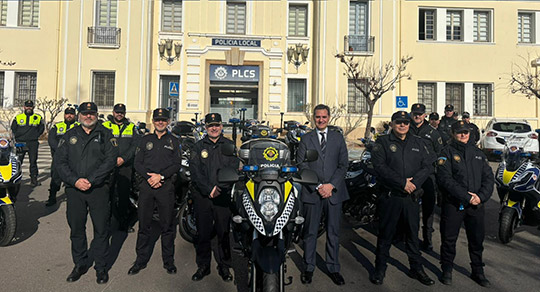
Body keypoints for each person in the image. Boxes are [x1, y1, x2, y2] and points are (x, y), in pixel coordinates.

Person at [55, 102, 118, 284]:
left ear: (96, 115)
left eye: (92, 113)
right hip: (75, 191)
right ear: (79, 115)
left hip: (98, 189)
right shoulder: (69, 135)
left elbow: (110, 160)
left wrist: (92, 179)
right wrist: (75, 180)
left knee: (101, 230)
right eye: (85, 113)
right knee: (76, 229)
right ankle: (80, 264)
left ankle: (101, 267)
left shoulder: (106, 134)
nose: (88, 116)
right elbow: (60, 162)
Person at [369, 111, 435, 286]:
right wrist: (401, 183)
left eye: (405, 122)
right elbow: (380, 167)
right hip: (391, 197)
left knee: (413, 235)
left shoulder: (418, 143)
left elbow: (428, 165)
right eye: (399, 122)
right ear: (392, 124)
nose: (403, 125)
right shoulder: (382, 142)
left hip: (410, 198)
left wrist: (414, 184)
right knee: (385, 235)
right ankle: (380, 269)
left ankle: (416, 268)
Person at [436, 121, 494, 287]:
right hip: (454, 204)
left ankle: (478, 270)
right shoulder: (446, 152)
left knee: (476, 240)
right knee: (449, 239)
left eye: (466, 132)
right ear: (453, 133)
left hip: (475, 205)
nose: (463, 135)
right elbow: (444, 179)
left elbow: (488, 178)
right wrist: (466, 196)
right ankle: (446, 269)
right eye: (460, 132)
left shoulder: (478, 154)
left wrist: (480, 197)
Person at [296, 104, 349, 286]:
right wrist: (318, 186)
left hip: (333, 193)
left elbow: (343, 165)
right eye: (318, 117)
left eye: (324, 117)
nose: (321, 120)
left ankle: (333, 268)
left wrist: (331, 185)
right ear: (314, 118)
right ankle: (309, 267)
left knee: (333, 233)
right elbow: (301, 165)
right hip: (313, 193)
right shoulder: (305, 139)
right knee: (310, 232)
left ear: (329, 117)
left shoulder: (337, 138)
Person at [128, 108, 181, 276]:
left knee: (167, 227)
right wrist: (150, 177)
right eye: (158, 120)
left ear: (168, 121)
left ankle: (169, 261)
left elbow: (176, 164)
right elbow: (138, 163)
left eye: (164, 120)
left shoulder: (173, 140)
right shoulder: (145, 140)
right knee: (144, 225)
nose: (160, 122)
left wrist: (161, 176)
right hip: (147, 187)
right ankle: (140, 260)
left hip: (165, 188)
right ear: (153, 121)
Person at [189, 113, 239, 282]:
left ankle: (224, 266)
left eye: (217, 125)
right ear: (206, 128)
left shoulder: (230, 146)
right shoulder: (198, 147)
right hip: (203, 196)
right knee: (203, 233)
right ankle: (203, 266)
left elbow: (233, 169)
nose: (214, 128)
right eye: (210, 125)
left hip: (222, 197)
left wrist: (220, 188)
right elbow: (195, 172)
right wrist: (209, 189)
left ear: (221, 126)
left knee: (223, 232)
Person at [409, 103, 442, 251]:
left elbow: (440, 152)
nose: (417, 116)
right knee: (410, 207)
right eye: (415, 113)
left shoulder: (432, 132)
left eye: (420, 114)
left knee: (428, 208)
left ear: (425, 115)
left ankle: (427, 238)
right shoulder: (405, 129)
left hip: (428, 175)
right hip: (410, 175)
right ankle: (408, 236)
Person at [102, 103, 140, 231]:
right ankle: (106, 223)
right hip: (108, 166)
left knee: (124, 195)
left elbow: (135, 145)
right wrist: (111, 159)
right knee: (107, 195)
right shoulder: (105, 126)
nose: (119, 114)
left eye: (122, 112)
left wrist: (124, 158)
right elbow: (101, 145)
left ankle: (123, 222)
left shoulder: (131, 127)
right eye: (117, 112)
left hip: (125, 166)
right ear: (113, 112)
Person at [46, 106, 79, 206]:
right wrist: (60, 151)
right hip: (59, 158)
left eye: (71, 114)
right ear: (64, 115)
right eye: (67, 114)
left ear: (75, 115)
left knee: (74, 177)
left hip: (74, 158)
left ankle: (75, 199)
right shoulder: (57, 126)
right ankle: (52, 197)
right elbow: (51, 140)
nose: (69, 116)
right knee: (56, 177)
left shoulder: (79, 126)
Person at [11, 99, 45, 186]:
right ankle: (15, 179)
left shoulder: (38, 117)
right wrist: (19, 136)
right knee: (18, 161)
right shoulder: (18, 117)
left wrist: (35, 135)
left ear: (33, 107)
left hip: (33, 143)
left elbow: (41, 128)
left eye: (30, 106)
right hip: (20, 142)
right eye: (27, 106)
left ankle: (34, 179)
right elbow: (13, 128)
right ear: (24, 107)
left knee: (33, 161)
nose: (28, 108)